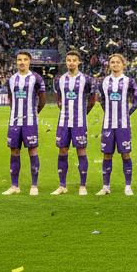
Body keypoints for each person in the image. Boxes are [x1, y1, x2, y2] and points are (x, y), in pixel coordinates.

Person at [2, 51, 46, 196]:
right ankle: (14, 185)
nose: (22, 62)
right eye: (19, 59)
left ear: (29, 61)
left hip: (30, 121)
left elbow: (42, 100)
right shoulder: (12, 79)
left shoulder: (36, 78)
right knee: (14, 151)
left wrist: (33, 113)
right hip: (14, 121)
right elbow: (10, 98)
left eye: (25, 59)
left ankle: (34, 185)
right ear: (16, 61)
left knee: (32, 150)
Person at [52, 49, 94, 195]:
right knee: (62, 150)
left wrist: (82, 112)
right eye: (69, 60)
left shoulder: (86, 79)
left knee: (81, 151)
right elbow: (58, 99)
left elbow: (92, 100)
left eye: (74, 60)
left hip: (79, 121)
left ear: (78, 62)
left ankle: (83, 186)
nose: (71, 62)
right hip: (63, 121)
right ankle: (62, 185)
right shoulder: (59, 79)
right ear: (66, 61)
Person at [97, 54, 137, 196]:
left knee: (125, 154)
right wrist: (109, 112)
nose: (115, 64)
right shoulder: (104, 82)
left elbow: (136, 101)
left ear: (123, 64)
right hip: (108, 124)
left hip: (123, 125)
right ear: (109, 65)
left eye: (118, 62)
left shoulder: (129, 82)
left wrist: (126, 114)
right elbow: (102, 100)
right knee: (107, 155)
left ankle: (128, 186)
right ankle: (106, 187)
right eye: (112, 62)